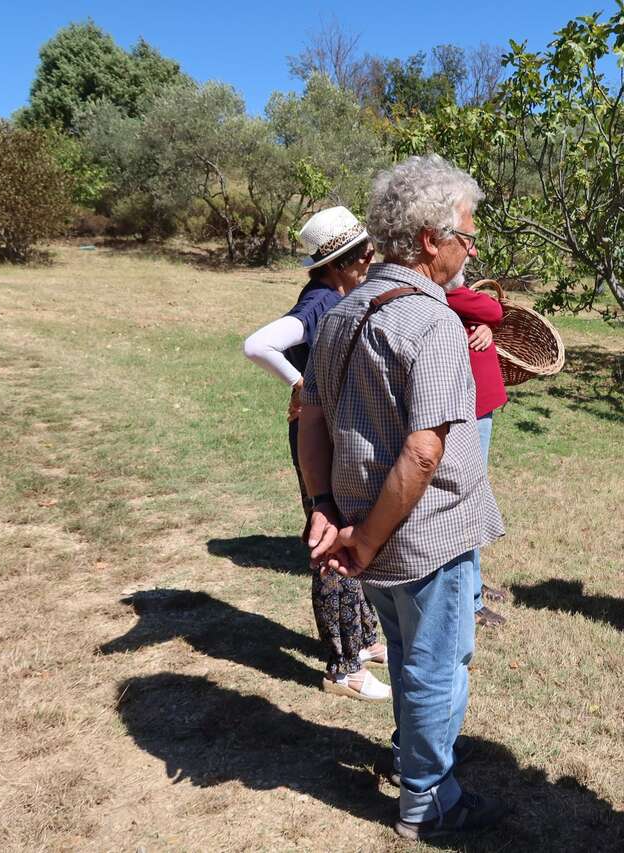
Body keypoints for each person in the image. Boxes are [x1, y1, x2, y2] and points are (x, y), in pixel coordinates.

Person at [298, 155, 507, 841]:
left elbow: (312, 417)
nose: (470, 249)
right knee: (434, 664)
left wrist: (325, 506)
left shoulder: (341, 311)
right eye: (466, 237)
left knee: (412, 652)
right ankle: (427, 799)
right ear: (428, 238)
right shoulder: (433, 321)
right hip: (421, 537)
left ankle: (416, 757)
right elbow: (423, 451)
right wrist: (365, 536)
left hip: (371, 533)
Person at [243, 206, 390, 701]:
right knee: (330, 542)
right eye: (361, 253)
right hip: (318, 443)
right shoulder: (321, 302)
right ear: (338, 262)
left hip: (335, 437)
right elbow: (258, 345)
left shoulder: (337, 294)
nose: (371, 257)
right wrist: (302, 384)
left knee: (350, 531)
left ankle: (364, 639)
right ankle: (342, 667)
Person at [445, 282, 509, 627]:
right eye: (465, 243)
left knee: (473, 496)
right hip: (467, 410)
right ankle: (470, 599)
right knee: (469, 501)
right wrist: (484, 318)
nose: (471, 252)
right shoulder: (447, 290)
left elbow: (490, 315)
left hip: (478, 408)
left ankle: (473, 583)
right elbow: (495, 309)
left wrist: (482, 325)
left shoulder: (457, 293)